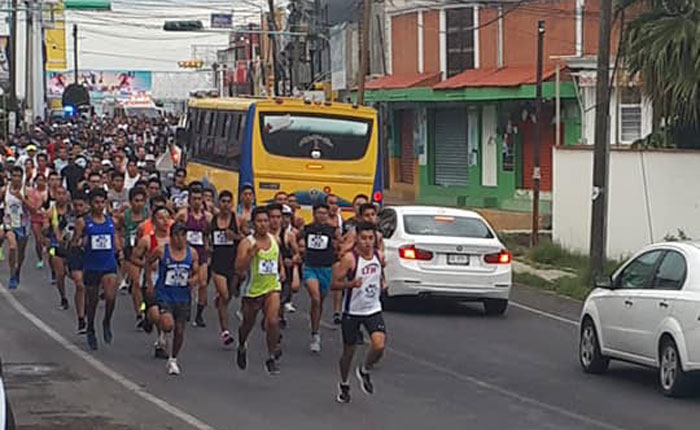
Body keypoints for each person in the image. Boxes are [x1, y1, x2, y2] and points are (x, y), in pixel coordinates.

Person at [333, 222, 387, 403]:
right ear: (357, 239)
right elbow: (334, 284)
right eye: (363, 238)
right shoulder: (350, 259)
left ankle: (364, 370)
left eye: (371, 238)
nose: (367, 242)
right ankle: (344, 382)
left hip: (373, 309)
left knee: (379, 345)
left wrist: (382, 282)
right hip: (352, 311)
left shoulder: (379, 256)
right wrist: (350, 284)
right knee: (349, 352)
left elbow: (379, 273)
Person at [235, 207, 284, 375]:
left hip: (272, 287)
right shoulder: (247, 243)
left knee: (272, 321)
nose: (263, 224)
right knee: (248, 324)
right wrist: (250, 255)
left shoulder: (274, 239)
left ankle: (271, 357)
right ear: (253, 223)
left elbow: (277, 257)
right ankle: (242, 345)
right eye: (259, 221)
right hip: (253, 290)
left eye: (265, 221)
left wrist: (281, 269)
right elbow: (239, 268)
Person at [146, 222, 199, 375]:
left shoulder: (192, 253)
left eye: (183, 235)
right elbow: (148, 263)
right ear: (172, 236)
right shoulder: (162, 251)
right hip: (165, 294)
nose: (180, 239)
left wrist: (194, 280)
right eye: (177, 235)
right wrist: (149, 282)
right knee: (168, 324)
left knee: (180, 330)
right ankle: (158, 328)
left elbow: (197, 272)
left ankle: (173, 358)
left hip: (182, 296)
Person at [74, 189, 119, 350]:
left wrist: (119, 252)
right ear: (90, 204)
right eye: (96, 202)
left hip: (109, 264)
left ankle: (106, 321)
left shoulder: (110, 221)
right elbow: (75, 242)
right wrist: (81, 242)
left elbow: (115, 240)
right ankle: (91, 327)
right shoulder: (83, 222)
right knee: (92, 302)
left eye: (102, 202)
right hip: (92, 265)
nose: (99, 206)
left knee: (110, 297)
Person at [301, 203, 341, 353]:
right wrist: (299, 250)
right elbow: (297, 240)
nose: (322, 216)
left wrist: (338, 248)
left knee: (320, 301)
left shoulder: (332, 230)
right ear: (314, 214)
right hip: (310, 267)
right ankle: (315, 335)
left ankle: (315, 326)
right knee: (315, 298)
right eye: (319, 213)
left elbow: (340, 244)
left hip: (326, 268)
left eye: (324, 213)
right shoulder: (307, 229)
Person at [176, 186, 212, 327]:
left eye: (199, 199)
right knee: (189, 283)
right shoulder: (183, 214)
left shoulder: (207, 216)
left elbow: (209, 233)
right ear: (189, 201)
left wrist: (209, 248)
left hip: (201, 251)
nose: (197, 202)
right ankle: (186, 308)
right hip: (187, 252)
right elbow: (175, 229)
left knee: (202, 283)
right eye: (194, 199)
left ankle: (199, 315)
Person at [210, 191, 241, 346]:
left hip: (233, 264)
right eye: (223, 201)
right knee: (224, 294)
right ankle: (225, 332)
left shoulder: (237, 219)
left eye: (229, 201)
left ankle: (220, 299)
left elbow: (245, 238)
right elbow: (205, 236)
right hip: (217, 264)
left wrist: (234, 237)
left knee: (228, 297)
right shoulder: (212, 220)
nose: (226, 204)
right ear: (218, 203)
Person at [116, 187, 149, 327]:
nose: (139, 204)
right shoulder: (125, 216)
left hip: (146, 251)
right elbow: (118, 229)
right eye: (136, 201)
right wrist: (120, 245)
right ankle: (139, 313)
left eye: (142, 201)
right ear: (130, 202)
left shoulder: (148, 215)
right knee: (136, 282)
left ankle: (146, 307)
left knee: (146, 285)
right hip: (131, 251)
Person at [5, 166, 34, 289]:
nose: (16, 179)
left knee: (21, 253)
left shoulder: (26, 191)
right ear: (10, 177)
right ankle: (12, 274)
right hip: (9, 223)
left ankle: (17, 271)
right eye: (14, 176)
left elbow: (33, 209)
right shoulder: (4, 190)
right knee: (12, 247)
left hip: (23, 224)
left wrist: (22, 199)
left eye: (19, 176)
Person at [66, 191, 89, 334]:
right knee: (79, 285)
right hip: (75, 255)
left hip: (90, 255)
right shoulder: (68, 217)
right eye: (76, 205)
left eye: (81, 205)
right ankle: (81, 317)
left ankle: (88, 314)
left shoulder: (92, 219)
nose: (78, 208)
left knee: (90, 288)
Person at [28, 173, 48, 269]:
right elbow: (32, 206)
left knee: (46, 239)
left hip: (46, 217)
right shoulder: (32, 192)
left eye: (42, 180)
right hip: (35, 217)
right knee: (38, 239)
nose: (40, 182)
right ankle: (40, 259)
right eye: (38, 180)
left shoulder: (48, 192)